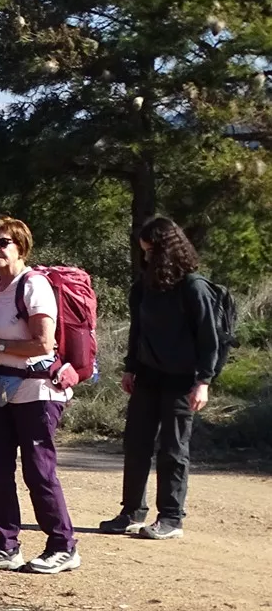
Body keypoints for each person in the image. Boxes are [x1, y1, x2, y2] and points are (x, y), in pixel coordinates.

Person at [0, 216, 80, 574]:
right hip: (2, 389)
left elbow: (43, 343)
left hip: (37, 390)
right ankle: (5, 544)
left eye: (3, 243)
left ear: (21, 247)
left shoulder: (34, 286)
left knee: (38, 471)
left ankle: (63, 545)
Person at [102, 217, 223, 541]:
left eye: (151, 251)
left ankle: (171, 517)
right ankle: (131, 512)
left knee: (173, 449)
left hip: (182, 380)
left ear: (168, 251)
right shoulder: (142, 287)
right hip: (148, 376)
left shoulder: (193, 287)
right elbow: (137, 332)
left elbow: (209, 340)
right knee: (136, 444)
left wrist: (204, 382)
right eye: (143, 252)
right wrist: (130, 367)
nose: (146, 258)